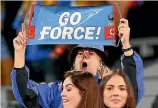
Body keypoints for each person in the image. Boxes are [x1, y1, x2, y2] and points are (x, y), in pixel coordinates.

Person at [11, 18, 144, 108]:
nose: (84, 55)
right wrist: (19, 53)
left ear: (101, 64)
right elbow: (26, 94)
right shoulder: (58, 91)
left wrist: (126, 44)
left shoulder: (108, 91)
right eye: (80, 53)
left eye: (91, 53)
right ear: (73, 64)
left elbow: (132, 92)